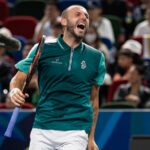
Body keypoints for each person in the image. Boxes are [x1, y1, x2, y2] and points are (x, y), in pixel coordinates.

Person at [8, 5, 106, 150]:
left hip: (76, 131)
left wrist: (91, 138)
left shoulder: (96, 57)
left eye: (86, 16)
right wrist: (14, 91)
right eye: (77, 14)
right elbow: (18, 79)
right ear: (64, 21)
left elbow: (93, 100)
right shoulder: (43, 48)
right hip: (42, 128)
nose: (84, 18)